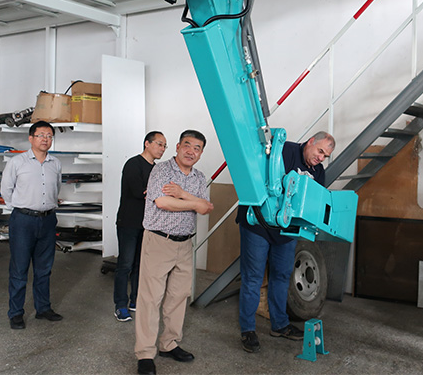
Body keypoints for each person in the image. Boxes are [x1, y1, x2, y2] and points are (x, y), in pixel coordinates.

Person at [237, 131, 335, 353]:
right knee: (253, 277)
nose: (320, 158)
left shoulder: (318, 172)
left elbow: (313, 203)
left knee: (282, 276)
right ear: (310, 141)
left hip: (287, 230)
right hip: (258, 224)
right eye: (320, 151)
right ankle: (248, 330)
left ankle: (280, 325)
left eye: (325, 156)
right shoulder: (283, 151)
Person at [135, 130, 214, 375]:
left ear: (201, 153)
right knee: (150, 299)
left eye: (197, 148)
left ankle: (169, 344)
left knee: (179, 296)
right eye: (187, 145)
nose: (191, 151)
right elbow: (163, 202)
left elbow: (206, 208)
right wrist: (193, 202)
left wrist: (181, 194)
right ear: (178, 147)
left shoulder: (199, 177)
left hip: (185, 244)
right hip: (159, 241)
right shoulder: (162, 171)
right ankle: (145, 353)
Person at [0, 120, 63, 330]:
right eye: (41, 135)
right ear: (31, 138)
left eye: (49, 136)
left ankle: (43, 308)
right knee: (19, 269)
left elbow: (57, 188)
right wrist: (19, 208)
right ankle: (16, 313)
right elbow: (6, 189)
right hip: (23, 221)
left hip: (48, 220)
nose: (45, 139)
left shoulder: (55, 163)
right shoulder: (17, 162)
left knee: (44, 268)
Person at [113, 131, 167, 322]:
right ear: (147, 143)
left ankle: (135, 300)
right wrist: (160, 195)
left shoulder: (158, 170)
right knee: (125, 265)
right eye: (159, 144)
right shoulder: (133, 164)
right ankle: (120, 305)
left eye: (164, 146)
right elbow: (140, 192)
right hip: (128, 222)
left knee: (141, 265)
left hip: (148, 224)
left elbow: (159, 193)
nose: (162, 149)